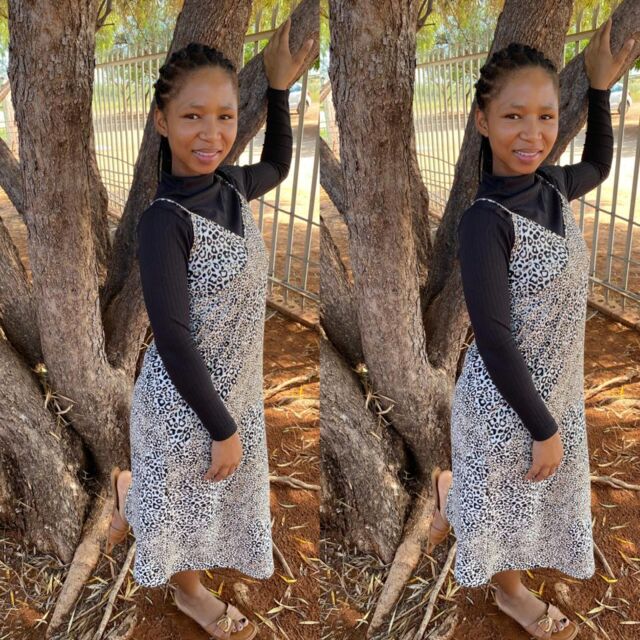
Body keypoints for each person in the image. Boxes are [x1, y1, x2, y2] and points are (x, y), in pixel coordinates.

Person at [104, 20, 314, 640]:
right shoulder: (163, 221)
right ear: (161, 121)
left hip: (233, 389)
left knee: (208, 495)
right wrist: (222, 428)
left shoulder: (229, 185)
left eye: (224, 117)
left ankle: (130, 492)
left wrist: (277, 89)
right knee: (189, 506)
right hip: (184, 402)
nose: (212, 133)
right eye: (193, 116)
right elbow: (171, 338)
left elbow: (277, 162)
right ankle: (189, 592)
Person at [426, 19, 635, 640]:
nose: (533, 133)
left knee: (531, 494)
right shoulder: (485, 220)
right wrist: (543, 427)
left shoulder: (550, 185)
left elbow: (598, 162)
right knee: (509, 506)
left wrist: (598, 89)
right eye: (514, 116)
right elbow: (492, 339)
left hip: (556, 386)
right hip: (506, 402)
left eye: (545, 117)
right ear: (482, 121)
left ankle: (449, 492)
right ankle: (510, 592)